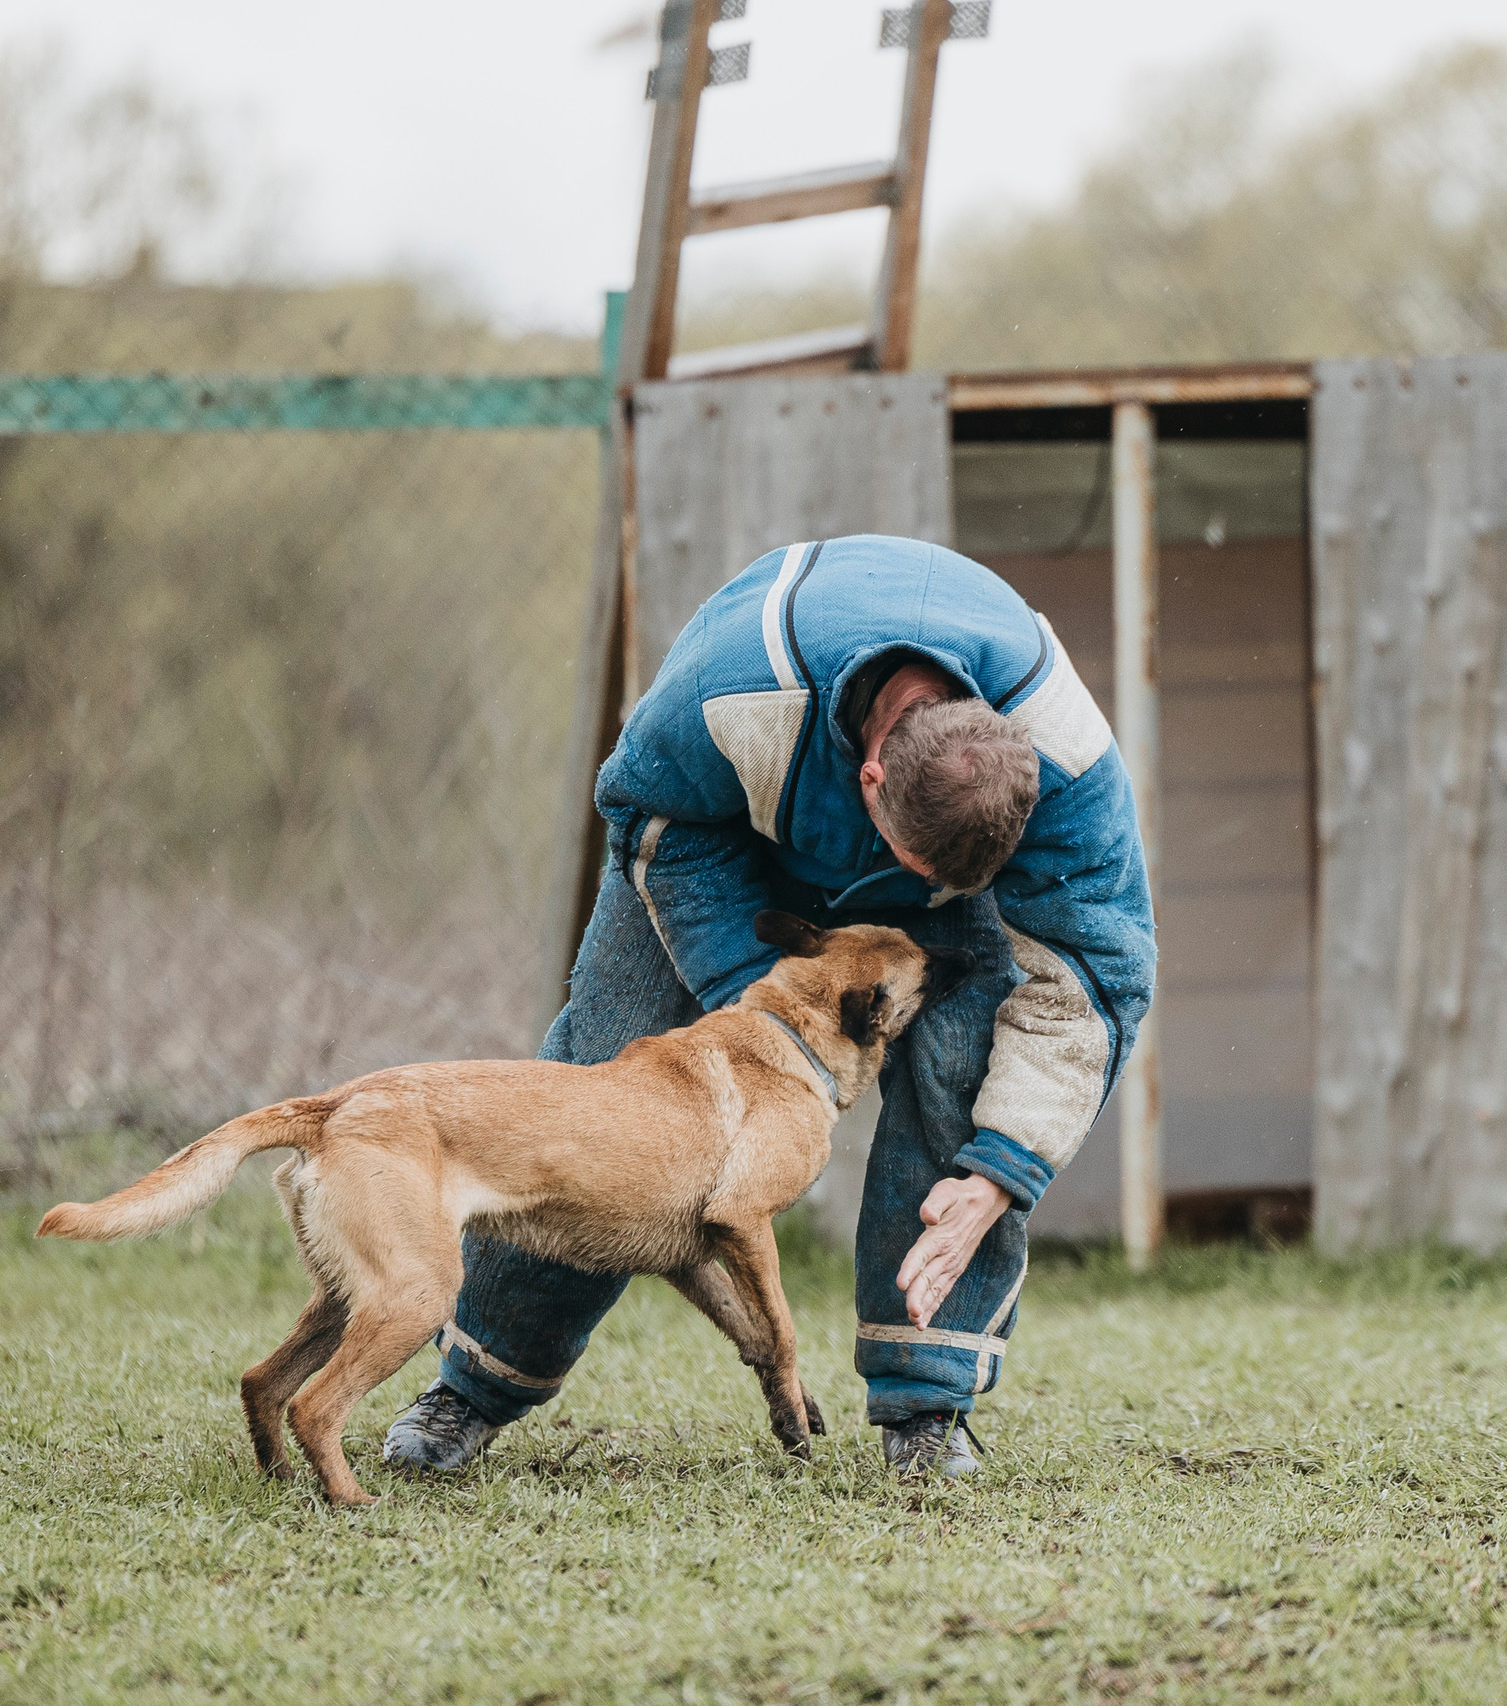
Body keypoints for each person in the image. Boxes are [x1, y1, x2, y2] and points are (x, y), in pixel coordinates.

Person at [383, 533, 1155, 1477]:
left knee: (968, 1076)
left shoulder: (1063, 753)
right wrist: (756, 1030)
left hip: (952, 910)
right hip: (715, 856)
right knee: (599, 1086)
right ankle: (476, 1383)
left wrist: (1004, 1169)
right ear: (869, 779)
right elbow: (648, 811)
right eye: (907, 869)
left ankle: (928, 1409)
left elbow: (1091, 978)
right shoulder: (742, 692)